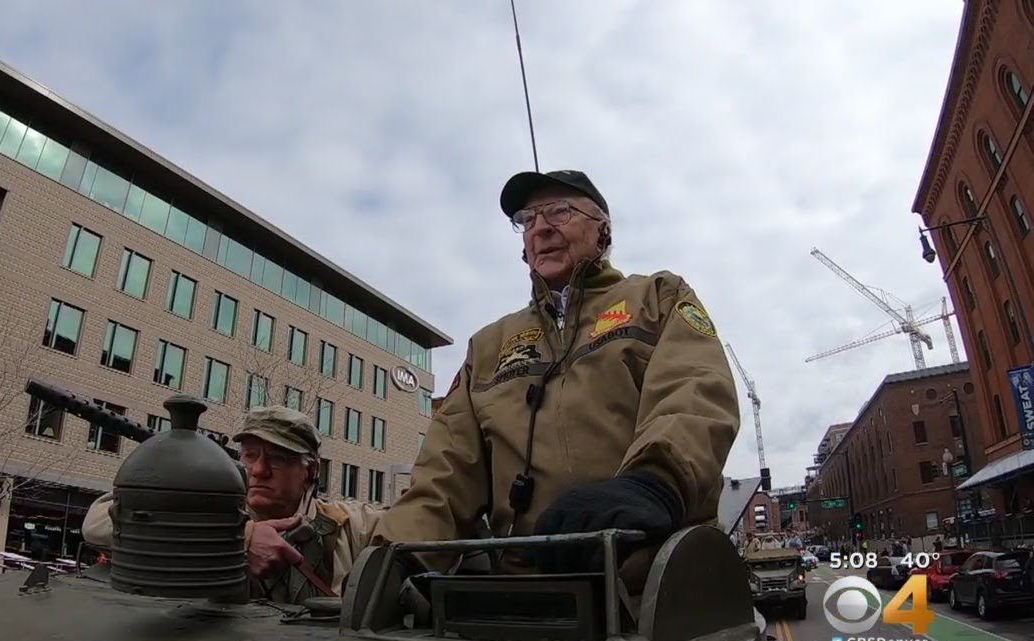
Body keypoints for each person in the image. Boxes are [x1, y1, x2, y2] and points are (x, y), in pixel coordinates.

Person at [370, 169, 741, 593]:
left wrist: (653, 484)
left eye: (559, 211)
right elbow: (444, 472)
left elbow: (695, 393)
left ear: (602, 229)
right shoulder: (488, 347)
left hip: (656, 582)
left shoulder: (658, 298)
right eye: (528, 220)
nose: (541, 227)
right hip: (529, 595)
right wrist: (394, 559)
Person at [82, 406, 384, 601]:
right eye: (251, 455)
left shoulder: (348, 526)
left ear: (311, 470)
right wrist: (240, 537)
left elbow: (413, 524)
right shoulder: (215, 510)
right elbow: (97, 523)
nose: (259, 470)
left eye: (278, 459)